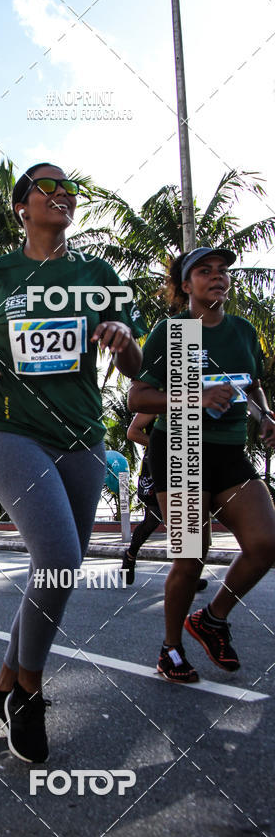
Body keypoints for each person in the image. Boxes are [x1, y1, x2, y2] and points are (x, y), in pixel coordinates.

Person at [0, 162, 145, 762]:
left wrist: (119, 331)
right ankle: (28, 693)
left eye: (69, 190)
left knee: (59, 568)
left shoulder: (97, 274)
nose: (62, 196)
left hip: (84, 438)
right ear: (22, 207)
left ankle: (2, 683)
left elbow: (138, 366)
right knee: (58, 558)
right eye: (48, 187)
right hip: (15, 433)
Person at [128, 247, 275, 683]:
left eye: (222, 271)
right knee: (192, 556)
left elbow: (252, 386)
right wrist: (195, 398)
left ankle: (212, 618)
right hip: (180, 447)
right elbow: (138, 398)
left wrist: (265, 415)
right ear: (185, 286)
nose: (217, 277)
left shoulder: (243, 332)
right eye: (204, 271)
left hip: (229, 450)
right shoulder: (174, 332)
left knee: (266, 543)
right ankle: (170, 649)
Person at [121, 414, 208, 593]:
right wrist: (164, 443)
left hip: (183, 464)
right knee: (153, 519)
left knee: (186, 515)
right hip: (157, 463)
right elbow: (132, 432)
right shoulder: (157, 399)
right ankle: (130, 556)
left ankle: (189, 575)